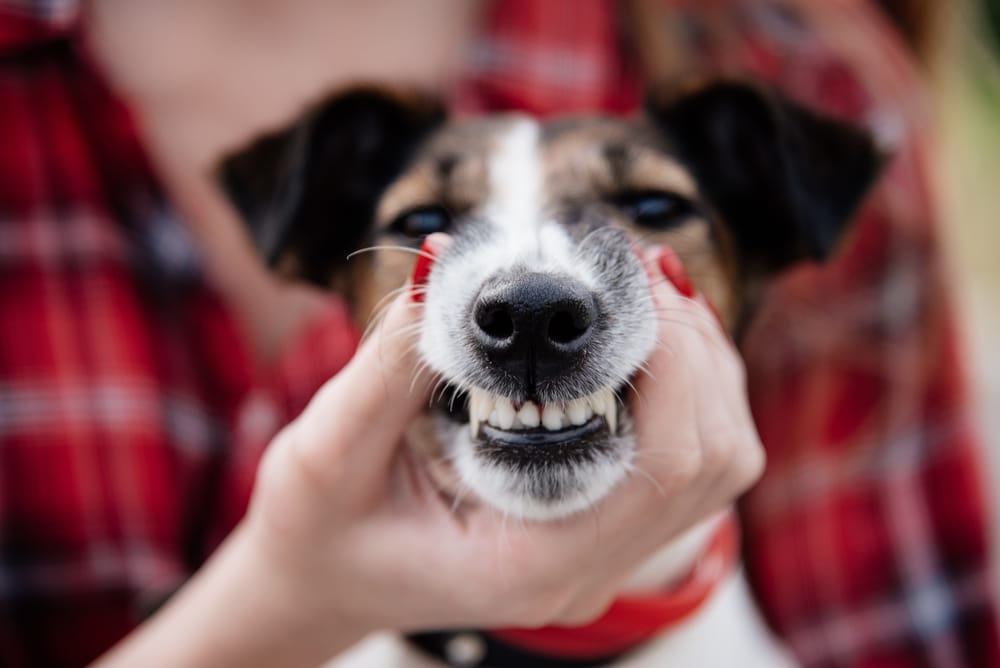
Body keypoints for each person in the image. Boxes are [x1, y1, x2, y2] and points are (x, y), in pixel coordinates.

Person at [0, 2, 995, 668]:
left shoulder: (772, 42)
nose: (528, 299)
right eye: (425, 223)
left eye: (648, 202)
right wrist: (286, 597)